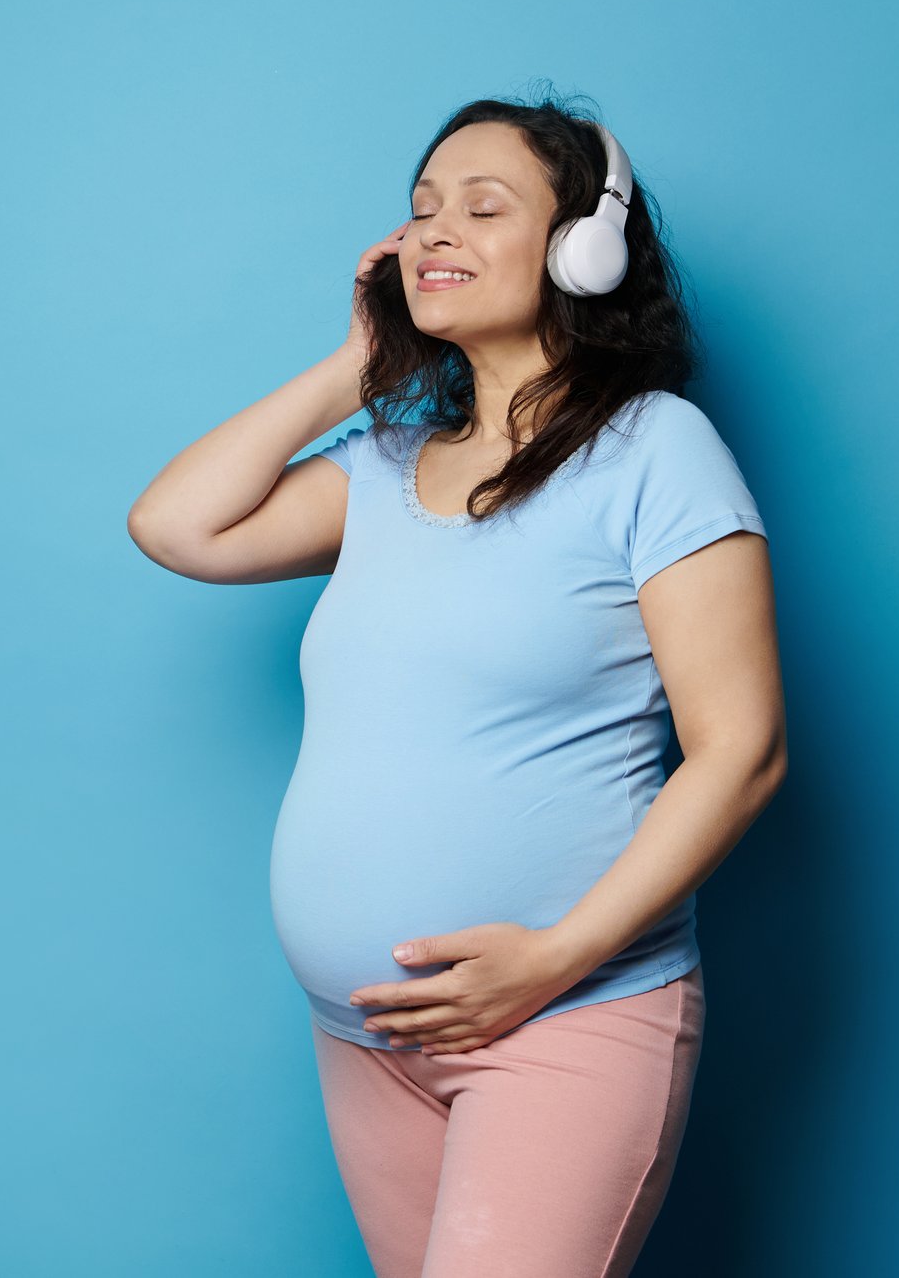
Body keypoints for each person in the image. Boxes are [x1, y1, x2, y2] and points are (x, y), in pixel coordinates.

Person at [125, 94, 788, 1277]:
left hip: (564, 1017)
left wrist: (552, 958)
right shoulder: (380, 468)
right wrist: (358, 369)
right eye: (423, 208)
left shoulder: (653, 450)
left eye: (485, 208)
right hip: (368, 1039)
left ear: (585, 247)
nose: (437, 231)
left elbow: (742, 749)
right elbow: (176, 525)